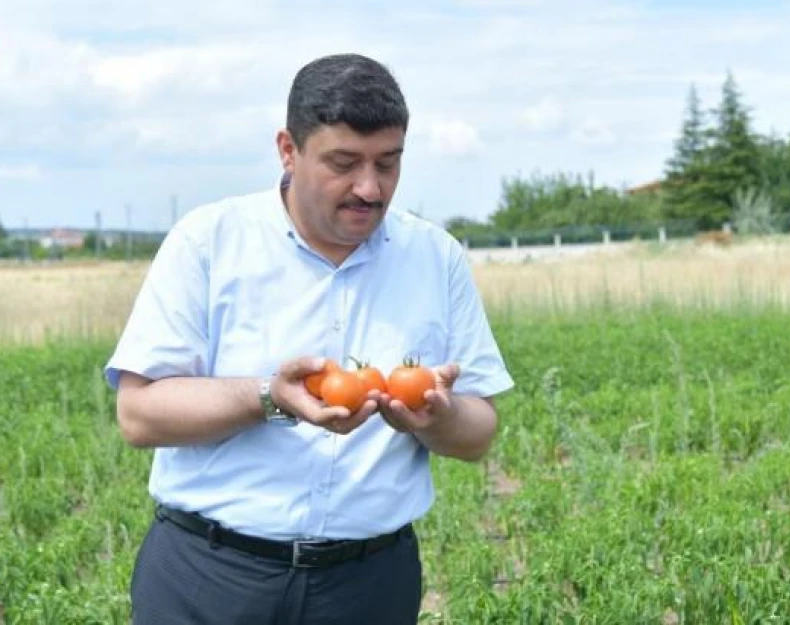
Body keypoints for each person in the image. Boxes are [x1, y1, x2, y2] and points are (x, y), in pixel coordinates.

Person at [104, 52, 514, 625]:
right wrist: (269, 397)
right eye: (343, 163)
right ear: (288, 151)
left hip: (368, 584)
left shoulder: (434, 257)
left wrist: (438, 416)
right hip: (211, 576)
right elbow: (139, 415)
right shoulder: (208, 242)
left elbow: (478, 435)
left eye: (388, 164)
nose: (370, 188)